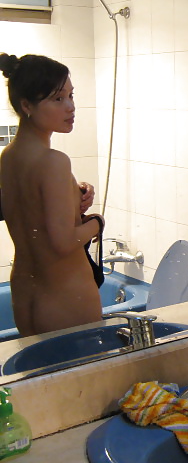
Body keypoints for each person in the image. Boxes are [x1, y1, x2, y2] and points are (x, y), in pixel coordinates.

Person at [0, 53, 105, 336]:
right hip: (66, 298)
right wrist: (97, 222)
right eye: (57, 99)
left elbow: (31, 209)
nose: (70, 106)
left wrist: (73, 193)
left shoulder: (9, 156)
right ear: (26, 105)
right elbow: (62, 242)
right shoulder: (54, 161)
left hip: (26, 295)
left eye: (71, 95)